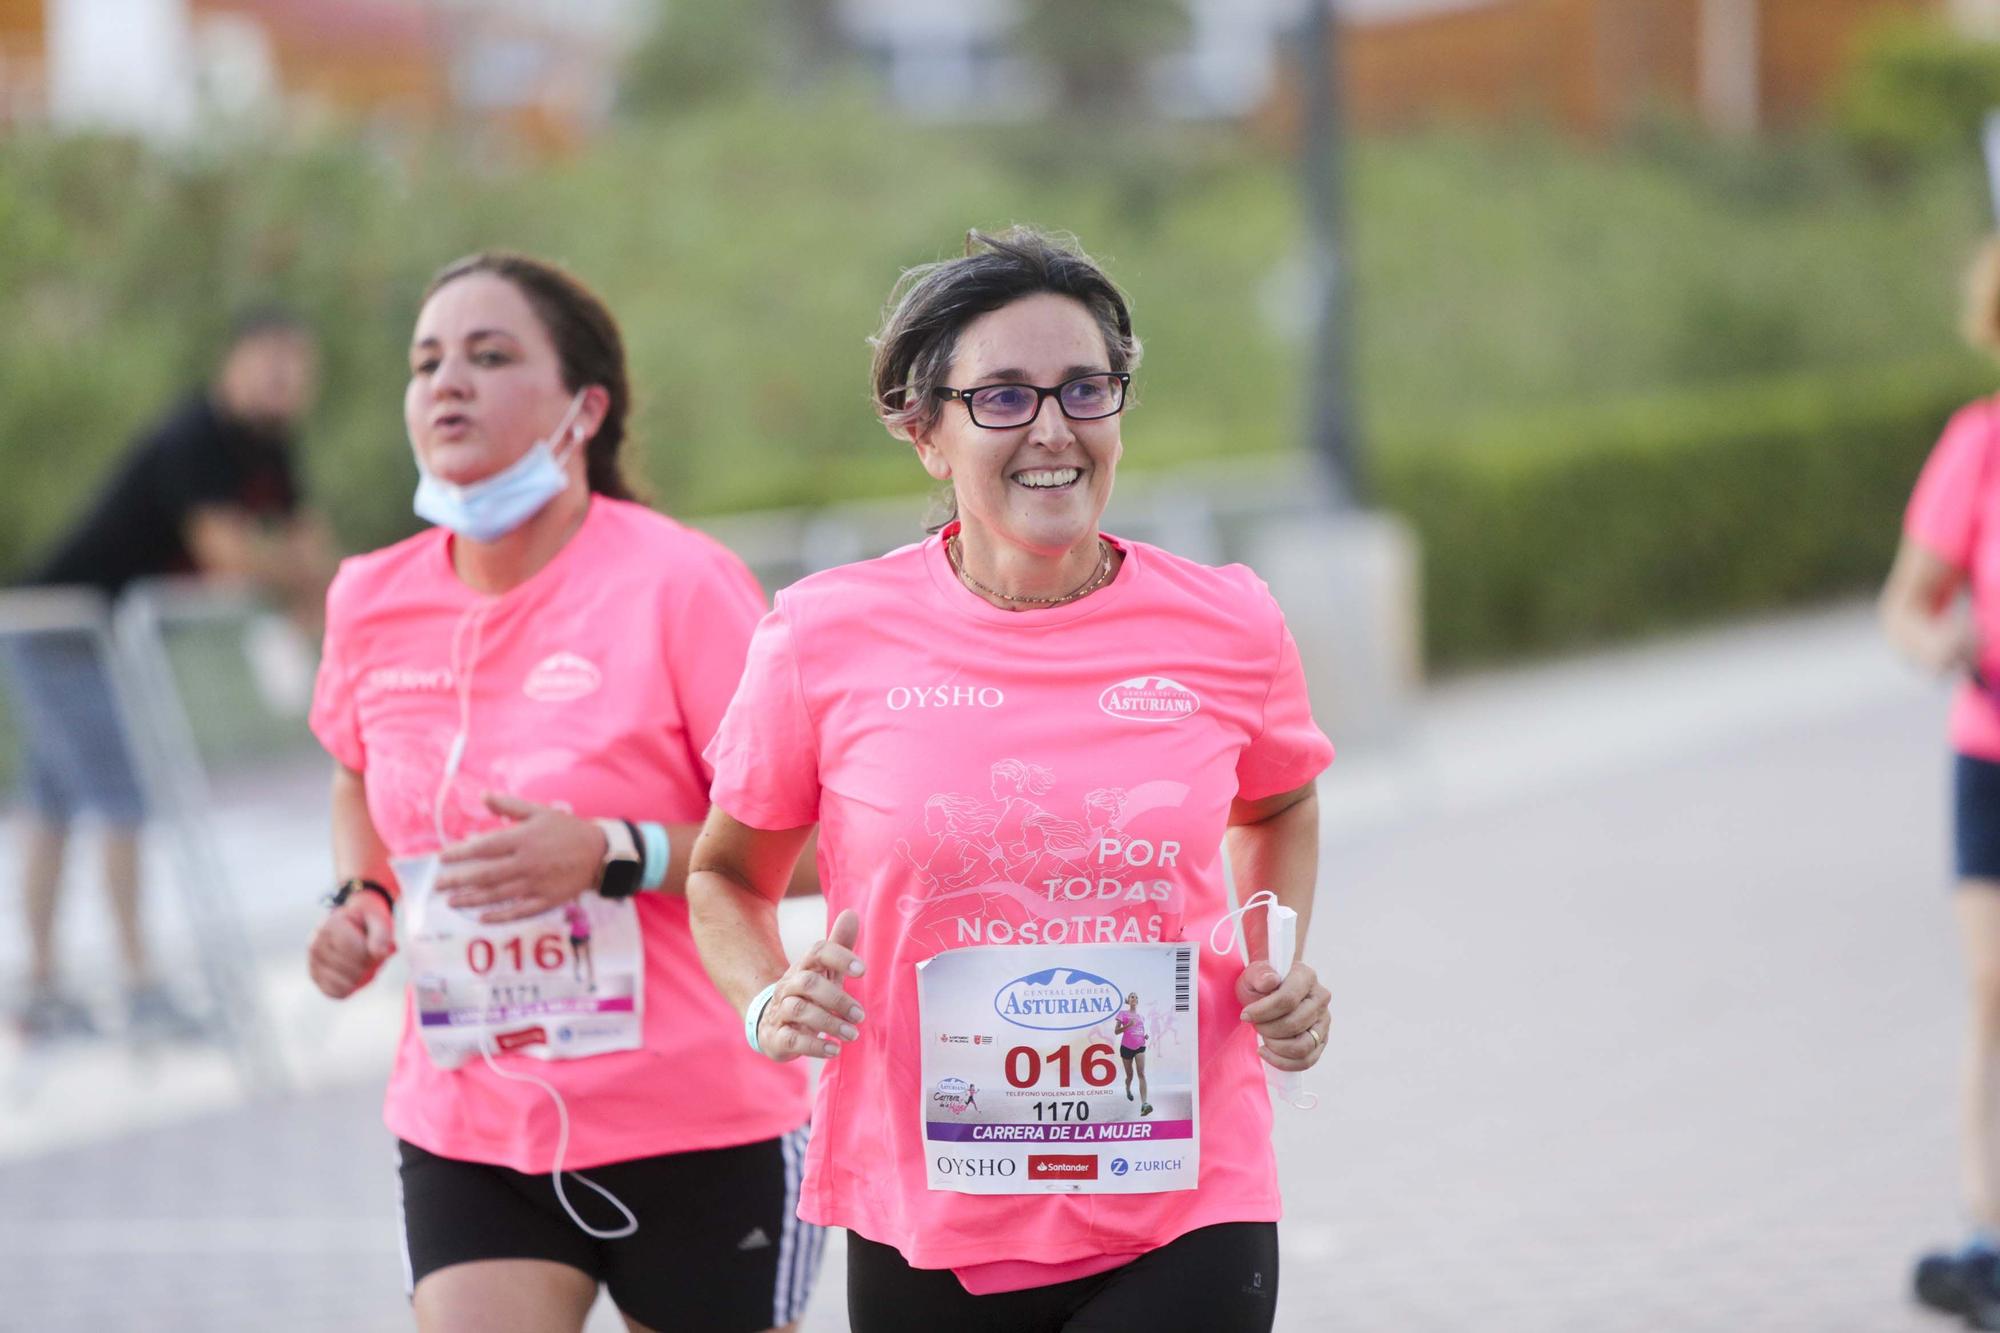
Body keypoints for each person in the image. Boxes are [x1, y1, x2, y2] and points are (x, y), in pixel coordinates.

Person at [689, 227, 1335, 1333]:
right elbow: (723, 875)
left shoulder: (1227, 621)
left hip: (1185, 1194)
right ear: (923, 431)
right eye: (1000, 397)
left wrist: (1274, 960)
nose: (1051, 428)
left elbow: (1277, 802)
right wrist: (765, 998)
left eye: (1085, 388)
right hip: (927, 1204)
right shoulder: (823, 635)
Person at [303, 252, 822, 1333]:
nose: (448, 382)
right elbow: (358, 776)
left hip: (698, 1123)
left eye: (489, 357)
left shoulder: (680, 583)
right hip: (471, 1122)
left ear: (583, 409)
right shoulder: (369, 598)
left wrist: (612, 850)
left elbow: (813, 838)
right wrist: (362, 899)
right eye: (426, 361)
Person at [8, 307, 331, 1041]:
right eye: (270, 359)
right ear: (236, 362)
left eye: (296, 364)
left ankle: (41, 991)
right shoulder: (197, 437)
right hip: (58, 624)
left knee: (54, 800)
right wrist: (293, 577)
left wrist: (303, 578)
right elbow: (229, 553)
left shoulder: (272, 446)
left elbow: (311, 542)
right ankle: (138, 982)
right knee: (119, 792)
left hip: (103, 634)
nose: (283, 378)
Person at [1888, 239, 2000, 1332]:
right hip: (1989, 753)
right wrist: (1938, 641)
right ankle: (1985, 1232)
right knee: (1990, 988)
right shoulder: (1977, 445)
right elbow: (1901, 604)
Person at [1116, 990, 1149, 1114]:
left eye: (1135, 997)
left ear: (1137, 1001)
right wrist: (1128, 1025)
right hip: (1126, 1048)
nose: (1134, 998)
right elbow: (1116, 1031)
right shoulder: (1123, 1014)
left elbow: (1140, 1029)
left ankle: (1144, 1104)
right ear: (1128, 1000)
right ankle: (1128, 1089)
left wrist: (1144, 1036)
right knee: (1130, 1075)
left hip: (1140, 1046)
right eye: (1131, 996)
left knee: (1142, 1074)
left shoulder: (1141, 1017)